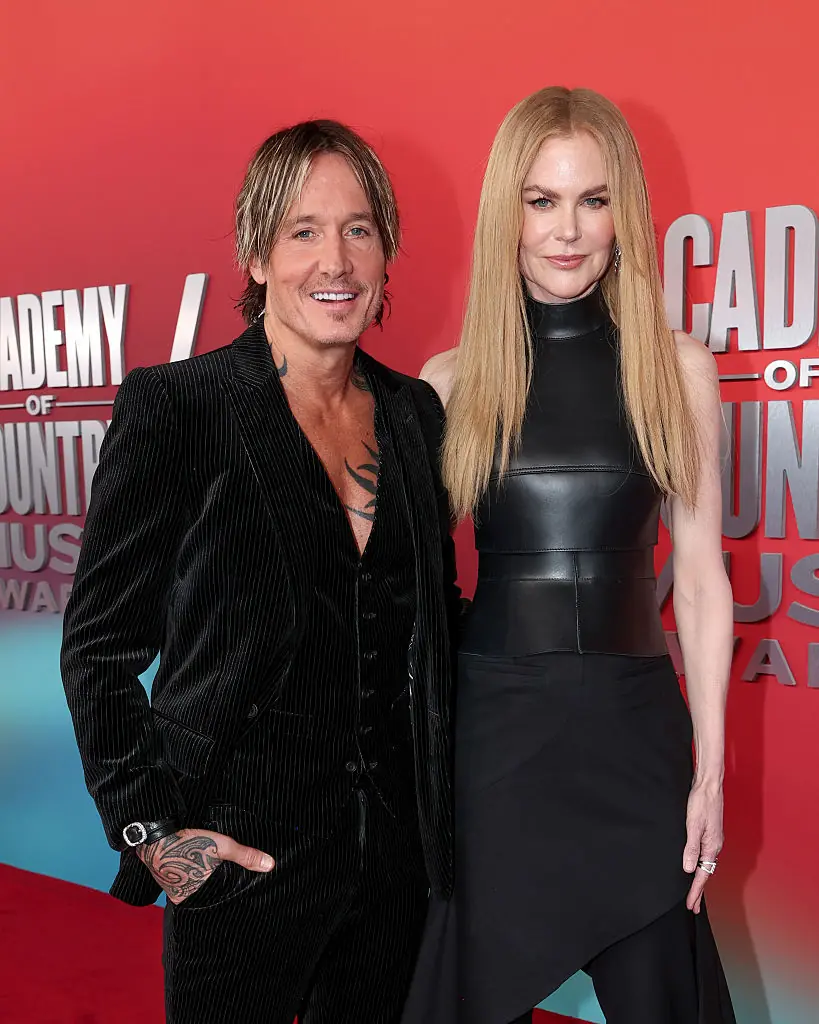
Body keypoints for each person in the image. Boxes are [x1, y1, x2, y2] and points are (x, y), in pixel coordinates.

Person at [61, 119, 460, 1024]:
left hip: (393, 871)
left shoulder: (415, 415)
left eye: (358, 229)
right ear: (255, 253)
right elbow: (98, 650)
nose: (336, 261)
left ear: (386, 252)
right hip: (236, 862)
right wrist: (156, 837)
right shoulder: (180, 407)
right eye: (303, 231)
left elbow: (427, 620)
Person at [403, 87, 736, 1023]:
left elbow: (700, 580)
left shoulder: (675, 369)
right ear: (504, 213)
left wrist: (709, 771)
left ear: (623, 212)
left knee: (662, 992)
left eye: (593, 200)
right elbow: (405, 588)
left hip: (634, 738)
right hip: (494, 742)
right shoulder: (450, 382)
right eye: (541, 201)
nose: (567, 231)